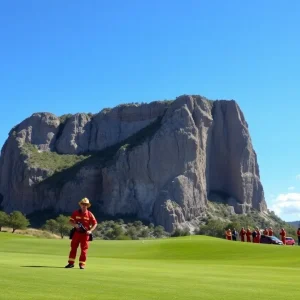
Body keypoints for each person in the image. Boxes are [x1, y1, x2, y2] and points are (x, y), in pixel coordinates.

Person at [65, 198, 98, 269]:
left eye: (85, 205)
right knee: (73, 248)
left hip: (85, 235)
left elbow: (95, 223)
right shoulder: (75, 213)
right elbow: (70, 221)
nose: (84, 206)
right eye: (83, 204)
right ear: (80, 205)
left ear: (87, 206)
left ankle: (82, 264)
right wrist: (75, 225)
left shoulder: (90, 214)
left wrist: (90, 231)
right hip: (76, 233)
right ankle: (71, 263)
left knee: (84, 250)